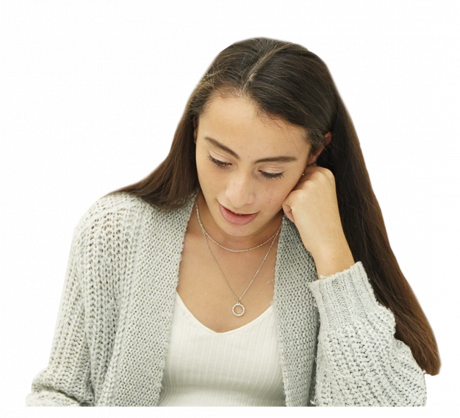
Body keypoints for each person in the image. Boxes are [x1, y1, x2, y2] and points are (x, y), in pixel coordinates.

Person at [25, 36, 441, 407]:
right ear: (194, 131)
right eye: (220, 160)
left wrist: (332, 254)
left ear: (315, 154)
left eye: (271, 172)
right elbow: (61, 392)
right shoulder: (113, 230)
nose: (237, 195)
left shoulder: (330, 247)